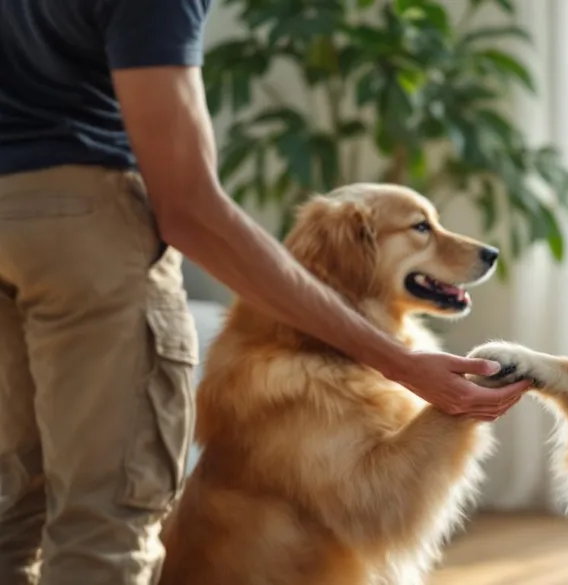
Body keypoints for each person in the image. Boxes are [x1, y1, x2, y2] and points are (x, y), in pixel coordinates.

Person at [0, 1, 530, 584]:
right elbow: (189, 207)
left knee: (12, 516)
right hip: (85, 233)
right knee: (102, 524)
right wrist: (398, 362)